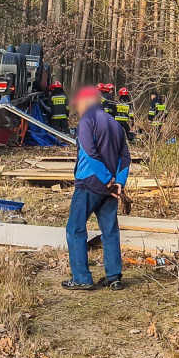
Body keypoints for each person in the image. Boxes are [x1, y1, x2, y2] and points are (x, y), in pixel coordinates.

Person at [63, 86, 130, 291]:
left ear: (87, 102)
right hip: (110, 189)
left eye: (79, 104)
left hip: (89, 184)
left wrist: (107, 180)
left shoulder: (87, 122)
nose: (78, 109)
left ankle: (82, 278)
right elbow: (125, 157)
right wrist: (119, 182)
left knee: (75, 229)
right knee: (110, 232)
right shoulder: (115, 124)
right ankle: (114, 277)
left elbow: (89, 153)